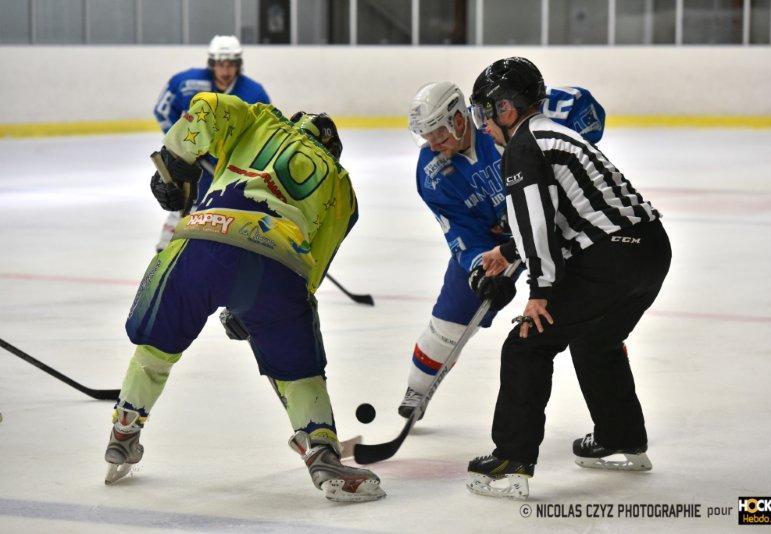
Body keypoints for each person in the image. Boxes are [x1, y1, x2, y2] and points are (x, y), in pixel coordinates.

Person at [103, 91, 385, 503]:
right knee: (298, 370)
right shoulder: (341, 185)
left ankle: (124, 433)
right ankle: (322, 453)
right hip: (276, 261)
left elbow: (208, 108)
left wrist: (173, 164)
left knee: (155, 348)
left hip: (201, 237)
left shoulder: (263, 120)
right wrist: (262, 313)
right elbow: (314, 265)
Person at [465, 57, 671, 500]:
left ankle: (511, 460)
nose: (482, 125)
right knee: (596, 340)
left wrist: (538, 293)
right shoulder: (555, 134)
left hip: (610, 259)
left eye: (485, 112)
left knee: (526, 343)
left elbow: (536, 221)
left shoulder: (522, 146)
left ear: (507, 110)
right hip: (651, 252)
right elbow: (564, 216)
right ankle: (621, 438)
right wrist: (506, 252)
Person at [398, 81, 606, 420]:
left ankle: (611, 413)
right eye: (425, 135)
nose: (433, 143)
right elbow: (460, 231)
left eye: (437, 131)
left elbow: (579, 106)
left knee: (590, 316)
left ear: (459, 118)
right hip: (497, 244)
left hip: (555, 228)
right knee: (449, 321)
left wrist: (582, 132)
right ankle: (417, 389)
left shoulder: (498, 121)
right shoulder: (431, 173)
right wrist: (482, 269)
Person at [152, 35, 271, 252]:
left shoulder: (254, 93)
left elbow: (264, 134)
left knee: (224, 219)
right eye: (220, 64)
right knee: (186, 205)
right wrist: (183, 149)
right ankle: (167, 252)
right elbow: (162, 110)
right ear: (212, 63)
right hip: (193, 168)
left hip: (230, 170)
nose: (226, 71)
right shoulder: (187, 83)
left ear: (238, 65)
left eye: (231, 65)